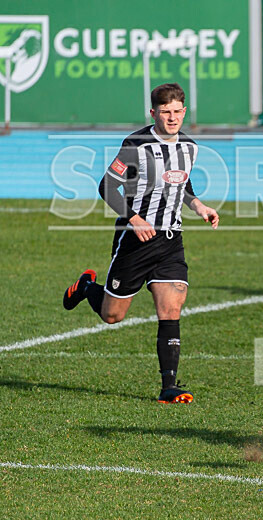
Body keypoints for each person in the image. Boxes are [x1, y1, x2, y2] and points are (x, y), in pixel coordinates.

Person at [62, 83, 220, 401]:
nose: (172, 117)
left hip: (171, 239)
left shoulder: (190, 147)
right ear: (153, 113)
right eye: (165, 112)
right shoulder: (136, 145)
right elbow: (107, 186)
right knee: (112, 316)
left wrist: (199, 205)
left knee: (171, 307)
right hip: (135, 241)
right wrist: (133, 219)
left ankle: (168, 387)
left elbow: (182, 183)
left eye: (177, 111)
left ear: (184, 111)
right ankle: (87, 287)